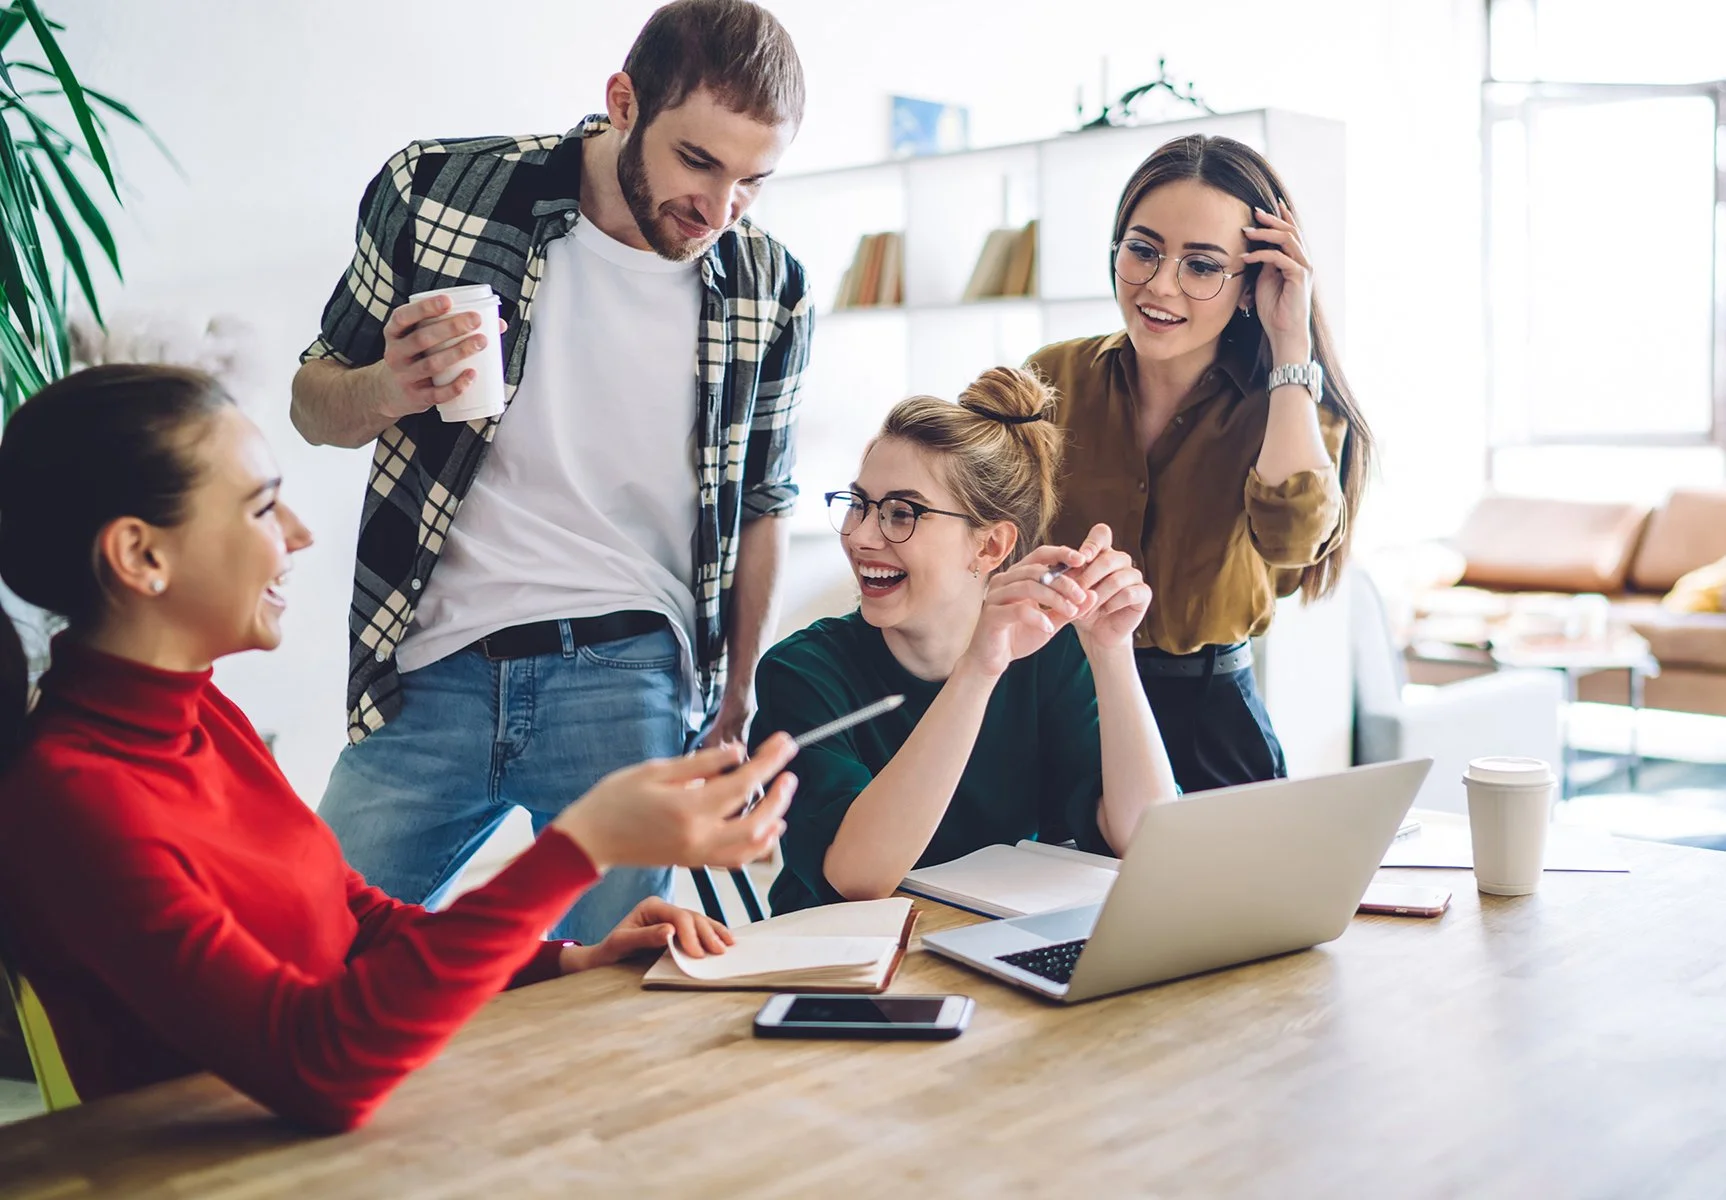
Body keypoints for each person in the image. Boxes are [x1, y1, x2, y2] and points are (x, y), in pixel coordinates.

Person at [0, 366, 800, 1132]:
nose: (299, 533)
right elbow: (319, 1062)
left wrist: (566, 961)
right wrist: (580, 847)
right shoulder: (72, 801)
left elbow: (355, 921)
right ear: (141, 556)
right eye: (262, 507)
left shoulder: (202, 714)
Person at [288, 0, 812, 945]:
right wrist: (389, 387)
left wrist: (737, 697)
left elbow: (765, 504)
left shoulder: (770, 285)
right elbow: (312, 402)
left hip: (631, 675)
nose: (719, 208)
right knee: (310, 943)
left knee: (609, 990)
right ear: (623, 102)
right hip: (433, 667)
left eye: (752, 181)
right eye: (698, 161)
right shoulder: (439, 192)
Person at [751, 367, 1180, 914]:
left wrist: (1110, 651)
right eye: (857, 504)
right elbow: (858, 877)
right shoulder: (802, 672)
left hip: (991, 943)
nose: (860, 536)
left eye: (901, 514)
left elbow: (1145, 842)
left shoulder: (1050, 656)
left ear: (990, 546)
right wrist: (978, 670)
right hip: (843, 955)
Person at [1027, 134, 1374, 793]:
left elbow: (1293, 542)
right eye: (1143, 250)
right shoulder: (1051, 379)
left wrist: (1290, 343)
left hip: (1210, 726)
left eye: (1203, 266)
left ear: (1252, 284)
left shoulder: (1290, 406)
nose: (1161, 286)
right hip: (1058, 706)